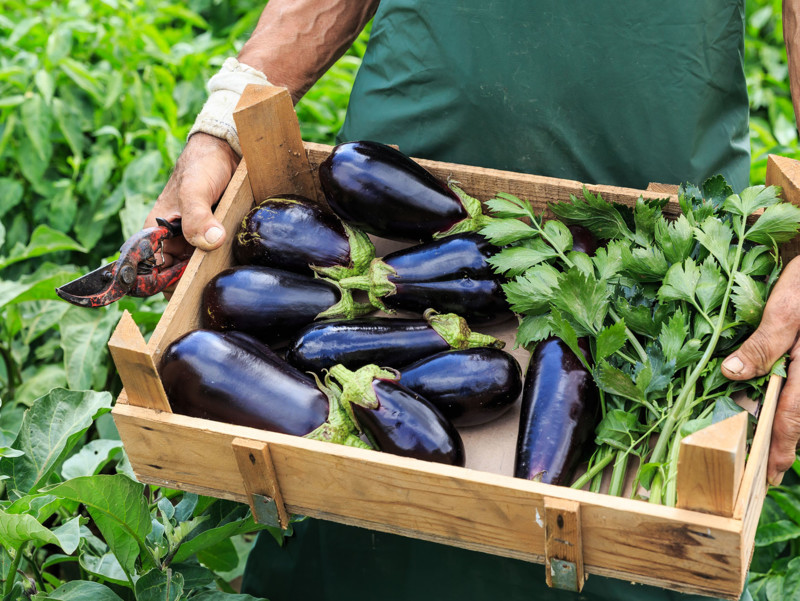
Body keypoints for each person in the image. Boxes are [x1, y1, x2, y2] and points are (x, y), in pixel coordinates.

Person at [145, 1, 800, 599]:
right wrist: (226, 115)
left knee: (634, 543)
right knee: (359, 526)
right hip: (399, 177)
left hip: (661, 199)